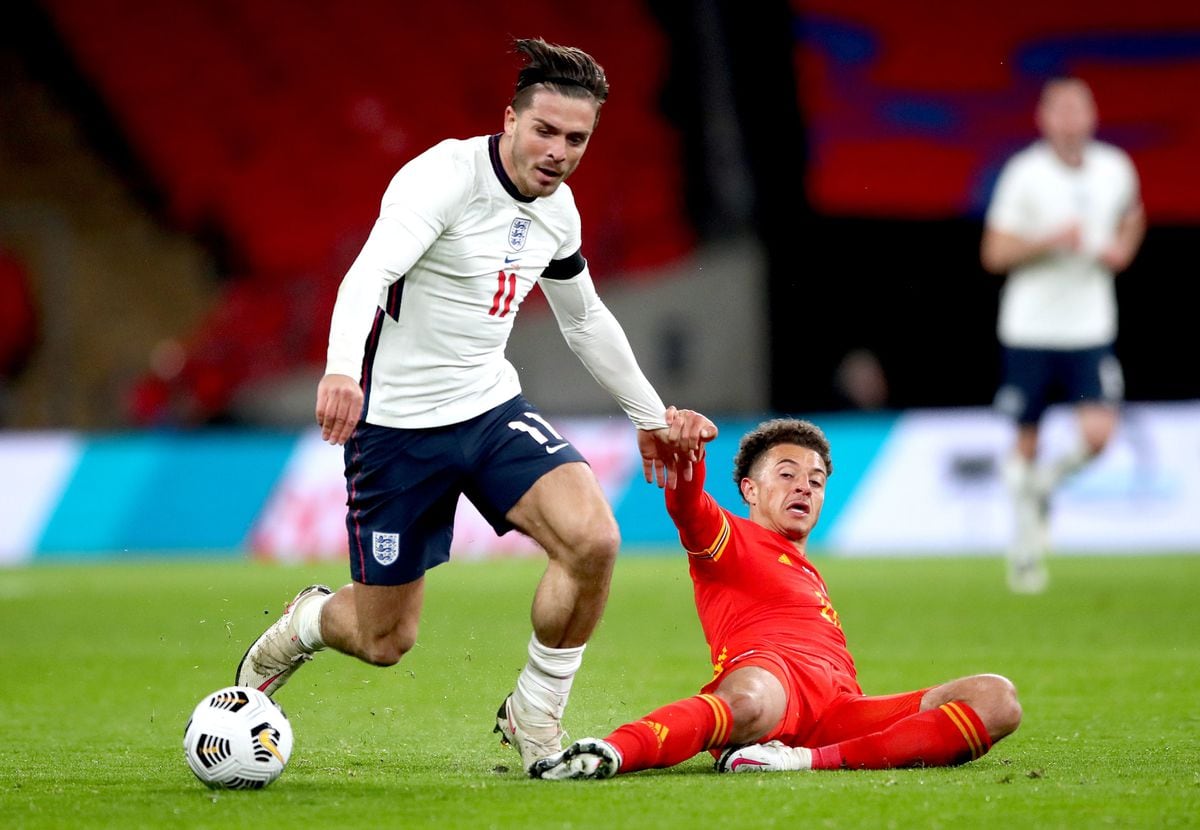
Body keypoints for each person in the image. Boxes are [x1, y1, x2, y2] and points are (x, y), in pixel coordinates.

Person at [235, 37, 716, 773]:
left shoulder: (560, 213)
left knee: (594, 539)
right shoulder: (442, 178)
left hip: (490, 412)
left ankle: (535, 716)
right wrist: (340, 371)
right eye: (545, 131)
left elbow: (584, 319)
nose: (558, 152)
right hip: (397, 431)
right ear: (510, 120)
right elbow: (367, 274)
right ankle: (306, 621)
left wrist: (650, 415)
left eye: (577, 139)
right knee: (384, 641)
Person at [531, 409, 1022, 780]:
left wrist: (808, 751)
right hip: (772, 681)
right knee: (749, 699)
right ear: (749, 489)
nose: (803, 487)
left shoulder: (808, 572)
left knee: (996, 699)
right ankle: (609, 753)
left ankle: (799, 761)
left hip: (838, 709)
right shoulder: (732, 540)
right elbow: (690, 510)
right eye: (786, 474)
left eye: (816, 480)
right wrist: (688, 457)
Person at [981, 77, 1145, 593]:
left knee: (1098, 436)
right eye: (1062, 109)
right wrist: (1049, 241)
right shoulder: (1025, 174)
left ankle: (1044, 489)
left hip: (1090, 325)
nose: (1071, 119)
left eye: (1080, 108)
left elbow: (1133, 213)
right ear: (1044, 118)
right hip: (1030, 327)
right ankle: (1025, 553)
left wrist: (1122, 247)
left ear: (1092, 115)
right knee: (1025, 440)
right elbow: (994, 253)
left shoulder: (1115, 167)